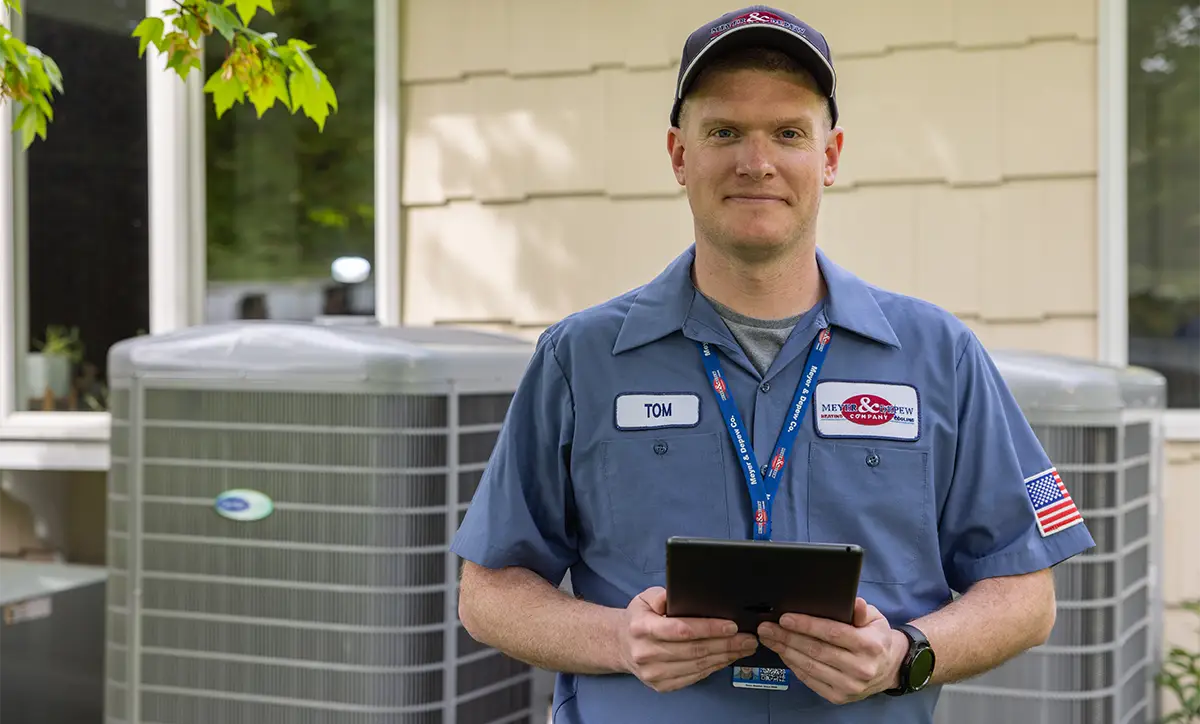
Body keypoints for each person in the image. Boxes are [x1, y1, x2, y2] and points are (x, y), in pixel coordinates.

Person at [450, 5, 1096, 723]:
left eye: (788, 133)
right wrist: (618, 639)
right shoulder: (580, 358)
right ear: (678, 154)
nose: (756, 163)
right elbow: (488, 591)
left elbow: (1025, 594)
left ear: (830, 154)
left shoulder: (938, 356)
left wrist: (905, 653)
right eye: (724, 131)